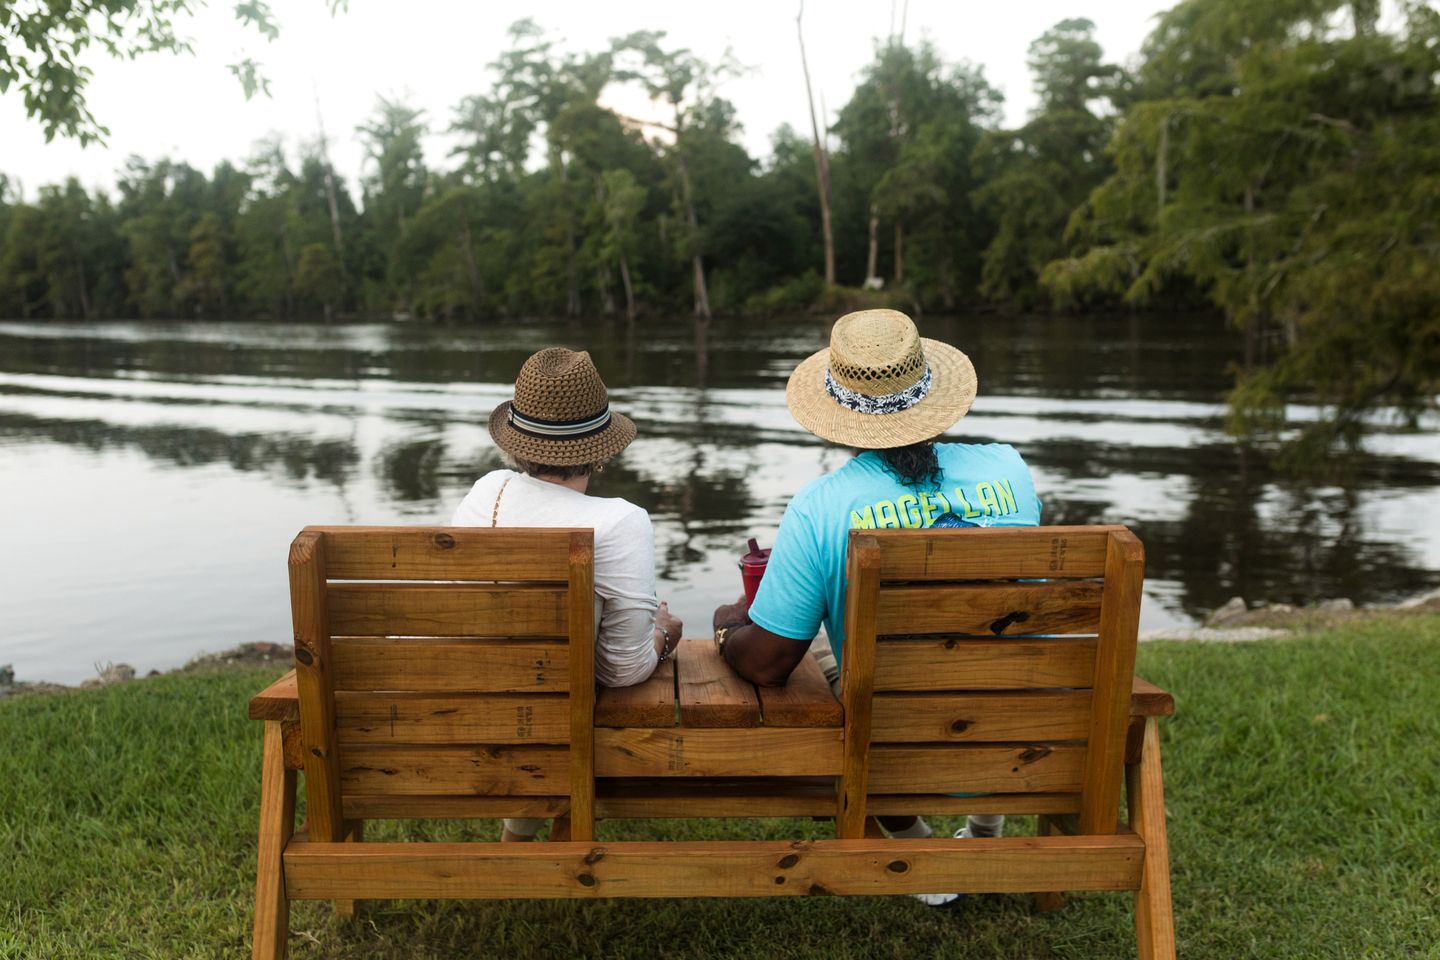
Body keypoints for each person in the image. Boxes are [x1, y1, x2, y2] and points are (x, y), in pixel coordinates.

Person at [709, 309, 1041, 905]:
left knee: (814, 645)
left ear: (838, 417)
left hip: (891, 739)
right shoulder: (1009, 469)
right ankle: (981, 833)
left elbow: (768, 665)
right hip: (1019, 730)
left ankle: (920, 848)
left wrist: (729, 633)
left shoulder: (820, 507)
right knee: (975, 651)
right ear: (932, 392)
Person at [452, 346, 682, 842]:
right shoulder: (619, 521)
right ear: (600, 447)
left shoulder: (484, 494)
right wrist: (662, 635)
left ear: (516, 441)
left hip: (468, 711)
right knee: (573, 691)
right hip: (556, 722)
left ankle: (519, 839)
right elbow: (621, 671)